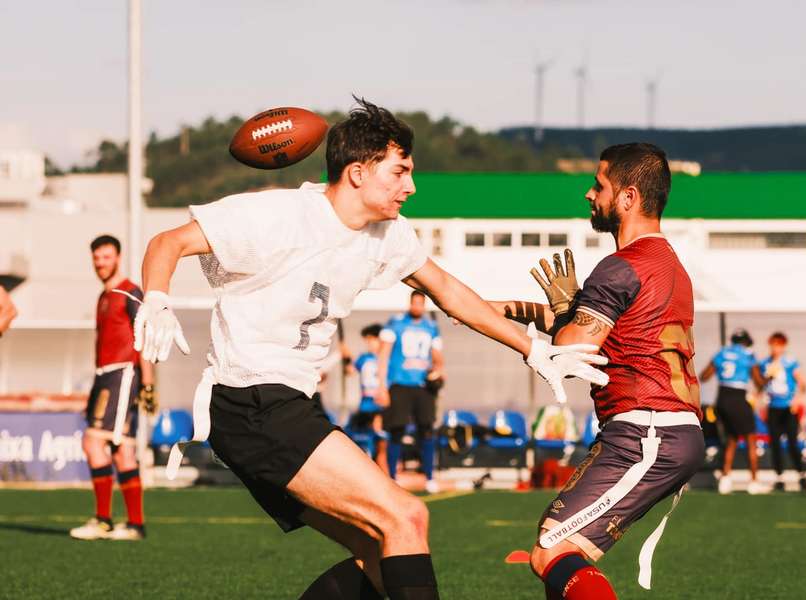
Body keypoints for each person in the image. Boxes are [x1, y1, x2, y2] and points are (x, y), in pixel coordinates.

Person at [133, 98, 605, 600]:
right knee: (407, 515)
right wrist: (157, 297)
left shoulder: (388, 235)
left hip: (284, 405)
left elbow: (449, 291)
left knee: (383, 552)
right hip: (252, 401)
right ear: (358, 173)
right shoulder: (277, 214)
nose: (411, 186)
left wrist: (531, 346)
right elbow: (167, 243)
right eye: (400, 171)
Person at [493, 143, 704, 599]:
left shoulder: (621, 266)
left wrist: (530, 323)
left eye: (599, 185)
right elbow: (605, 332)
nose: (590, 195)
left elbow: (573, 353)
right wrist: (504, 309)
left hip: (647, 428)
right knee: (562, 545)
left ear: (628, 198)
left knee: (552, 549)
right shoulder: (667, 264)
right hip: (661, 428)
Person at [70, 235, 156, 541]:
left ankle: (103, 519)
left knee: (93, 444)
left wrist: (148, 382)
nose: (100, 263)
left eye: (106, 257)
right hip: (104, 376)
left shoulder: (130, 293)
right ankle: (135, 525)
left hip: (122, 374)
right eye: (96, 258)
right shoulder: (103, 296)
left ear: (117, 257)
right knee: (122, 452)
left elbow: (143, 335)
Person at [378, 290, 443, 493]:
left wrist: (438, 371)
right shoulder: (396, 323)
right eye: (414, 302)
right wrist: (381, 385)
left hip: (422, 386)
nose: (417, 307)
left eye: (420, 303)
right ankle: (392, 477)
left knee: (427, 429)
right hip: (399, 383)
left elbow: (438, 358)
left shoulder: (431, 327)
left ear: (424, 305)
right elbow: (383, 355)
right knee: (396, 429)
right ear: (410, 303)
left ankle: (430, 476)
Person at [699, 328, 765, 494]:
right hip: (738, 397)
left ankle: (725, 479)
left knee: (731, 439)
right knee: (751, 438)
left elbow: (704, 376)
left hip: (722, 398)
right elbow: (759, 383)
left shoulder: (722, 352)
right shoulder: (748, 355)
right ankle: (754, 482)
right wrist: (767, 378)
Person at [757, 332, 806, 491]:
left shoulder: (790, 362)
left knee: (792, 443)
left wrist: (797, 400)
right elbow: (760, 386)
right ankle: (779, 476)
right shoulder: (765, 363)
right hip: (773, 407)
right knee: (775, 443)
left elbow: (803, 384)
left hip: (788, 407)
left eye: (779, 345)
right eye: (773, 344)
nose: (775, 348)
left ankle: (802, 474)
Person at [350, 323, 389, 473]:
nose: (369, 343)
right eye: (367, 340)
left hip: (381, 405)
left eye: (371, 340)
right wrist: (346, 357)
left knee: (381, 444)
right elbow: (351, 370)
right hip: (366, 405)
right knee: (366, 443)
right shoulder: (364, 358)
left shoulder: (386, 359)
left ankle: (386, 474)